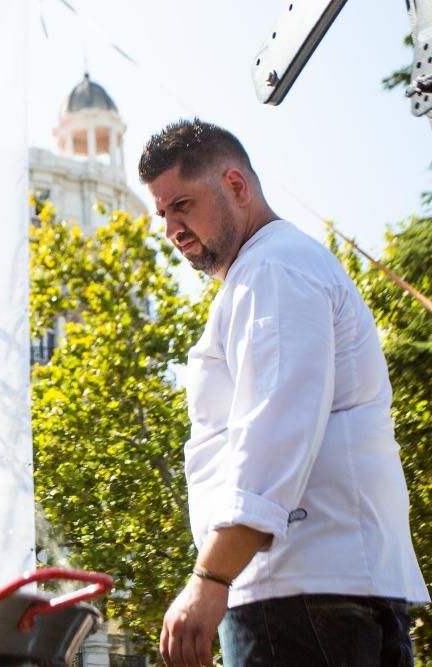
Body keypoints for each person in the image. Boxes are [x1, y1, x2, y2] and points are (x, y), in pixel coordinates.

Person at [138, 118, 429, 667]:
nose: (173, 229)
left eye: (183, 205)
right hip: (332, 583)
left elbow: (272, 429)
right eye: (163, 215)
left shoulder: (273, 267)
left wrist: (211, 576)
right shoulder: (275, 267)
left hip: (297, 591)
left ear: (237, 187)